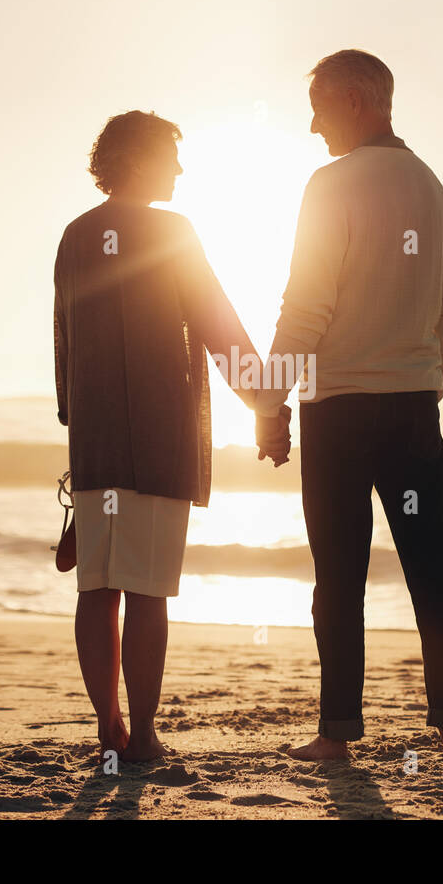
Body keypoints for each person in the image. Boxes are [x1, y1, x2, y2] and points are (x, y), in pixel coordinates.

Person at [253, 50, 443, 759]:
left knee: (340, 573)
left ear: (355, 99)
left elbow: (307, 308)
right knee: (429, 566)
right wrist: (423, 384)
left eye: (319, 105)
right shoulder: (434, 189)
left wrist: (268, 399)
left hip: (341, 410)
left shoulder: (331, 184)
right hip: (412, 410)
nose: (313, 122)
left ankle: (337, 735)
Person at [54, 110, 290, 761]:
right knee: (147, 591)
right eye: (171, 156)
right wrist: (265, 407)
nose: (181, 169)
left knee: (98, 588)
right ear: (137, 159)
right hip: (159, 441)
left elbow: (64, 343)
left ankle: (109, 723)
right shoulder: (172, 232)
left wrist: (77, 426)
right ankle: (146, 733)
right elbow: (219, 326)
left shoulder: (77, 235)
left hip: (99, 446)